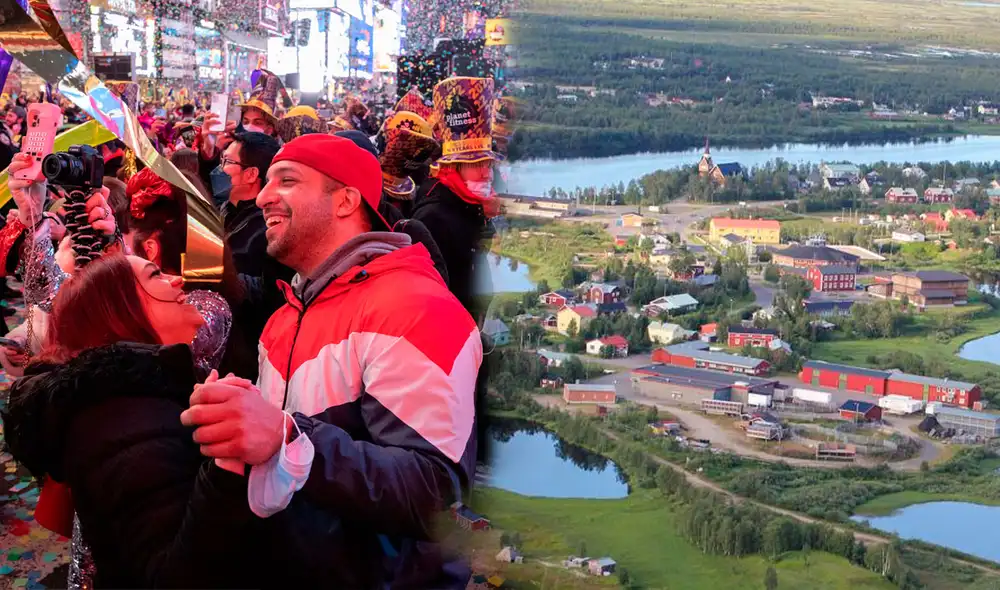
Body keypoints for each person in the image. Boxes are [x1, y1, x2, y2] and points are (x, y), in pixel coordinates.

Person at [181, 134, 482, 588]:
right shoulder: (285, 317)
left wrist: (287, 438)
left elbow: (434, 493)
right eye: (267, 182)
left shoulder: (414, 308)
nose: (263, 196)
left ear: (345, 200)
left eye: (287, 181)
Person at [412, 77, 502, 319]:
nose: (486, 173)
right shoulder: (433, 218)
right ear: (454, 168)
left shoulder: (470, 205)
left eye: (488, 164)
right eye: (476, 165)